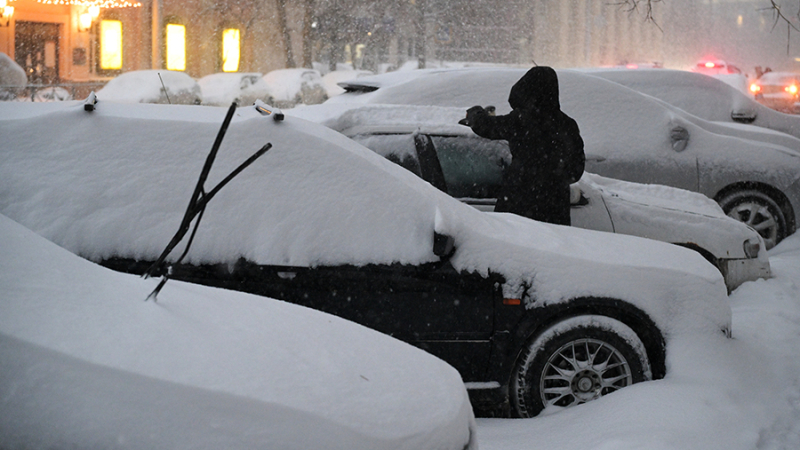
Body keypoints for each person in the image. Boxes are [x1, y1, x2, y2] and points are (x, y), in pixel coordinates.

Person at [462, 66, 584, 226]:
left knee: (515, 247)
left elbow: (487, 127)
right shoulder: (567, 124)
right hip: (554, 209)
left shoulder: (521, 120)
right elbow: (576, 170)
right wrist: (555, 179)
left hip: (518, 202)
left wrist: (476, 113)